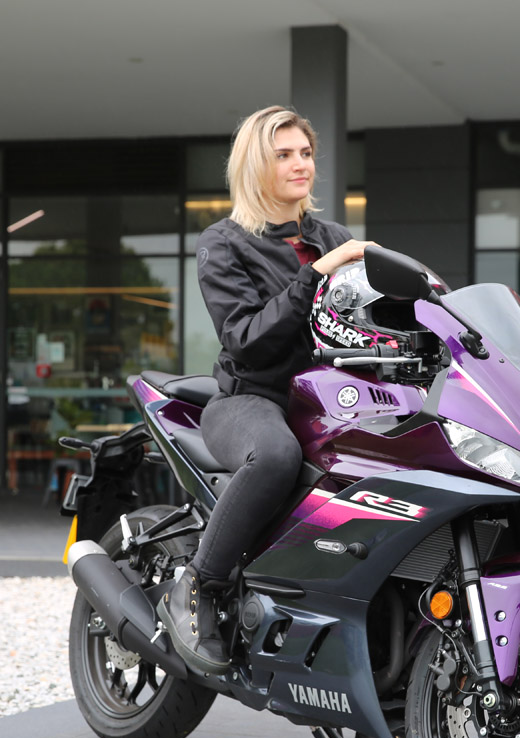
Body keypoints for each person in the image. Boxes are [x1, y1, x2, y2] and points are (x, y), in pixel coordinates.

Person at [156, 106, 375, 674]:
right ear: (256, 165)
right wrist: (315, 274)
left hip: (329, 401)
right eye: (284, 155)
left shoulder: (334, 237)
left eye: (306, 153)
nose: (301, 164)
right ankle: (198, 586)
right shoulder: (224, 242)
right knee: (276, 455)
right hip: (251, 400)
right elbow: (247, 340)